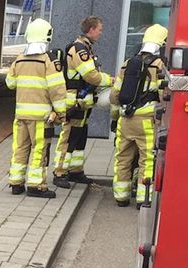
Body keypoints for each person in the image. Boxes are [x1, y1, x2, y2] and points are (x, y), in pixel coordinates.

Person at [5, 19, 66, 198]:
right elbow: (58, 90)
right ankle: (36, 185)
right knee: (39, 149)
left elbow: (10, 83)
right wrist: (61, 114)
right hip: (41, 118)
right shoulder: (48, 61)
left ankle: (16, 183)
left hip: (21, 115)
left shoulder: (19, 59)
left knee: (20, 148)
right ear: (47, 36)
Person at [111, 24, 169, 208]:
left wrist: (116, 116)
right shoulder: (159, 65)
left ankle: (121, 197)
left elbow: (115, 95)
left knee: (122, 158)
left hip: (125, 120)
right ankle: (144, 199)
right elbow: (163, 95)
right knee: (147, 160)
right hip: (146, 121)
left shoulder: (127, 63)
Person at [53, 16, 113, 188]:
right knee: (69, 136)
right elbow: (91, 76)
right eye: (99, 30)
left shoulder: (85, 48)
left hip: (83, 102)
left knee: (80, 137)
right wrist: (111, 80)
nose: (100, 33)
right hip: (75, 101)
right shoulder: (80, 50)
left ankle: (75, 171)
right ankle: (59, 172)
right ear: (91, 29)